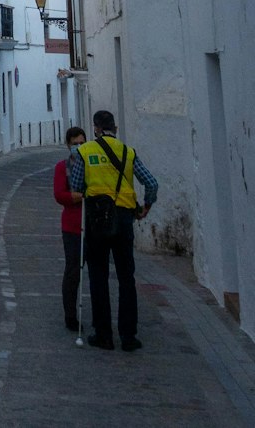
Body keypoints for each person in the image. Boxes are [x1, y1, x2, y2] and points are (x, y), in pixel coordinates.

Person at [68, 109, 159, 352]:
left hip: (97, 219)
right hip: (125, 218)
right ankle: (128, 336)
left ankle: (103, 334)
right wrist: (146, 207)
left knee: (98, 276)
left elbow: (76, 186)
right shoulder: (128, 152)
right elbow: (151, 183)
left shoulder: (83, 152)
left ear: (96, 128)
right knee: (126, 277)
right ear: (115, 129)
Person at [54, 126, 86, 330]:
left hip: (93, 226)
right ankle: (70, 315)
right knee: (73, 271)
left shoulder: (91, 164)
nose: (79, 147)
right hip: (72, 226)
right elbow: (59, 195)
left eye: (82, 143)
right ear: (68, 145)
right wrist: (78, 197)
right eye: (75, 144)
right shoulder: (62, 167)